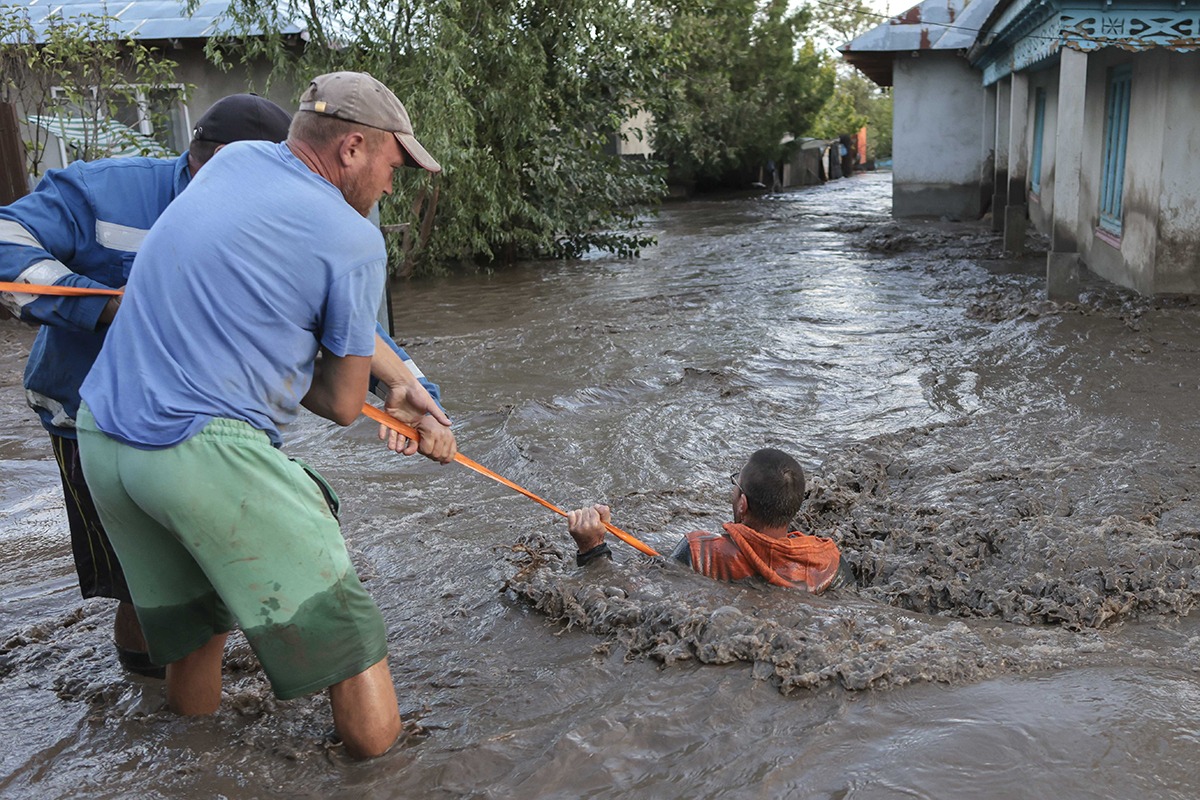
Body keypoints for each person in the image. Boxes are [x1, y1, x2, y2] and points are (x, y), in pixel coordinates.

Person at [75, 70, 455, 760]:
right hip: (199, 452)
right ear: (351, 149)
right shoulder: (353, 239)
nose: (394, 185)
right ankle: (389, 774)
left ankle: (199, 770)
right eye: (393, 165)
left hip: (104, 440)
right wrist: (385, 396)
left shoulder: (236, 161)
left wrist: (401, 385)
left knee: (198, 636)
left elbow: (249, 288)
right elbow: (340, 404)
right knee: (350, 639)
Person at [566, 448, 852, 594]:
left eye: (735, 483)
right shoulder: (830, 562)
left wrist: (593, 551)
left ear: (742, 503)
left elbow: (631, 597)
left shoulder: (699, 553)